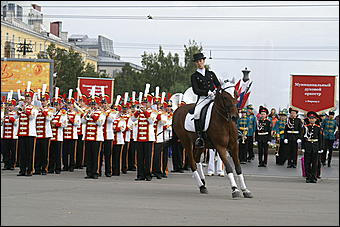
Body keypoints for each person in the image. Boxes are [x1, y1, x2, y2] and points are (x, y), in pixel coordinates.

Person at [190, 52, 221, 148]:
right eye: (198, 61)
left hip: (214, 97)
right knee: (196, 113)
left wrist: (216, 91)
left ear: (203, 61)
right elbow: (196, 90)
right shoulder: (194, 76)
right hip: (203, 98)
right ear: (196, 63)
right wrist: (207, 92)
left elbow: (218, 84)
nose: (200, 63)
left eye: (201, 60)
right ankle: (200, 137)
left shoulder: (211, 74)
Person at [131, 94, 156, 181]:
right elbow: (132, 119)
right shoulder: (139, 112)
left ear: (150, 103)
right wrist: (137, 112)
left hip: (148, 138)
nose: (144, 104)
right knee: (139, 157)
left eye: (146, 103)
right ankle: (140, 175)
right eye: (143, 102)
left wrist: (145, 112)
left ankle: (148, 174)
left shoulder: (153, 112)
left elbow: (151, 121)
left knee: (148, 157)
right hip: (139, 138)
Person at [82, 96, 106, 179]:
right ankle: (89, 172)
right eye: (91, 104)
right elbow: (83, 121)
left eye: (94, 104)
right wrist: (86, 114)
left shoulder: (101, 113)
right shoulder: (87, 112)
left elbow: (100, 123)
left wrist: (93, 116)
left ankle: (96, 172)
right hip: (88, 137)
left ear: (97, 105)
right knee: (88, 156)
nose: (93, 106)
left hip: (97, 138)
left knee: (96, 156)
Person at [17, 89, 39, 176]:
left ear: (31, 100)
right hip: (22, 133)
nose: (26, 100)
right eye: (26, 98)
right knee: (22, 153)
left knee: (30, 153)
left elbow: (32, 117)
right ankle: (22, 170)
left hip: (30, 133)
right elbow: (15, 117)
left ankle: (30, 170)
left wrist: (25, 110)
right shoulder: (21, 108)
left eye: (28, 99)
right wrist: (19, 111)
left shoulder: (34, 108)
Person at [34, 92, 54, 175]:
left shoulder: (50, 110)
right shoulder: (37, 109)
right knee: (37, 153)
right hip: (38, 134)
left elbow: (49, 118)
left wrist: (43, 111)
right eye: (42, 101)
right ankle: (37, 169)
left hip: (45, 134)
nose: (42, 102)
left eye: (44, 101)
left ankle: (44, 168)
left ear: (47, 101)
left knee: (44, 153)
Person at [303, 111, 322, 183]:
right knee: (307, 163)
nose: (312, 119)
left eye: (313, 118)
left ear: (316, 119)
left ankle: (314, 177)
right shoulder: (306, 127)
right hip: (307, 146)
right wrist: (303, 147)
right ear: (308, 119)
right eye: (310, 118)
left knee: (315, 163)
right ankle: (308, 177)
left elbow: (320, 138)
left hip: (315, 146)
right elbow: (303, 138)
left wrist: (321, 148)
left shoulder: (318, 128)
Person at [2, 97, 18, 171]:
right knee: (5, 151)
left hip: (13, 136)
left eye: (11, 105)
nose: (9, 107)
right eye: (8, 105)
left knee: (13, 151)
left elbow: (15, 123)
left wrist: (9, 117)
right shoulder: (4, 114)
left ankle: (12, 164)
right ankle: (6, 164)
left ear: (14, 106)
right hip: (5, 136)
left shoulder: (16, 114)